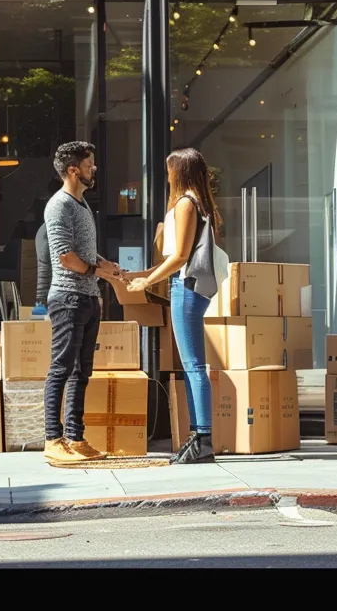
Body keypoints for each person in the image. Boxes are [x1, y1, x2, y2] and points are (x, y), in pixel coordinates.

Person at [126, 147, 223, 464]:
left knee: (193, 365)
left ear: (178, 172)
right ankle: (198, 437)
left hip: (186, 286)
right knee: (192, 365)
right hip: (193, 287)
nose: (167, 177)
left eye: (170, 171)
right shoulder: (200, 203)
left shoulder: (185, 204)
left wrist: (147, 281)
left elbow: (179, 257)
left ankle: (202, 439)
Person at [41, 141, 123, 463]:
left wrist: (106, 266)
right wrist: (97, 271)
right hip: (68, 298)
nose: (94, 169)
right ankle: (52, 439)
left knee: (81, 372)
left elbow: (86, 256)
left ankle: (75, 438)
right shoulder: (58, 206)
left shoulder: (83, 205)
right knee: (61, 368)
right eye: (90, 164)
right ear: (74, 170)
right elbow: (65, 258)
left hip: (88, 298)